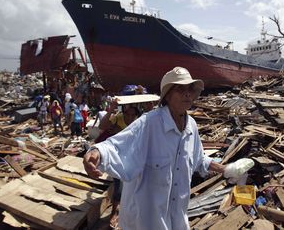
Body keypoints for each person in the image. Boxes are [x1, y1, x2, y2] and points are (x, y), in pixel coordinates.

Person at [83, 67, 253, 230]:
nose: (187, 93)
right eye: (180, 89)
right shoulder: (149, 123)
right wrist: (96, 153)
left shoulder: (191, 126)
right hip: (145, 219)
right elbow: (117, 145)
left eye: (190, 89)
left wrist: (226, 169)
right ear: (167, 95)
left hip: (176, 215)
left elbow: (199, 159)